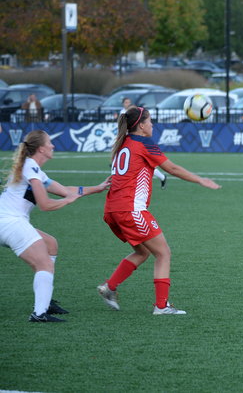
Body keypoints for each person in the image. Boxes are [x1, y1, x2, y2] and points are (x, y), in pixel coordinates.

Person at [97, 106, 221, 315]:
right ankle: (161, 306)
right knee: (163, 253)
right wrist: (200, 180)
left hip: (112, 210)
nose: (152, 124)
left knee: (143, 252)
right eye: (150, 121)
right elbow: (171, 168)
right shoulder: (144, 142)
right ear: (141, 125)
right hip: (130, 210)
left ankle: (109, 288)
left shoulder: (123, 142)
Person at [0, 130, 110, 322]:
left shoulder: (34, 170)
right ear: (41, 149)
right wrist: (67, 201)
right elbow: (45, 204)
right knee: (44, 263)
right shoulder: (31, 167)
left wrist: (98, 188)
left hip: (9, 222)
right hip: (9, 222)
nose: (52, 145)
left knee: (50, 244)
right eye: (49, 142)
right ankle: (39, 314)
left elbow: (66, 190)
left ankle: (45, 299)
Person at [120, 97, 168, 189]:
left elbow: (172, 168)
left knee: (145, 164)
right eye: (126, 102)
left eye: (129, 102)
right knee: (143, 164)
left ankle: (162, 177)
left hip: (133, 141)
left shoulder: (143, 141)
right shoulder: (123, 113)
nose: (127, 104)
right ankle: (162, 177)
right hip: (128, 141)